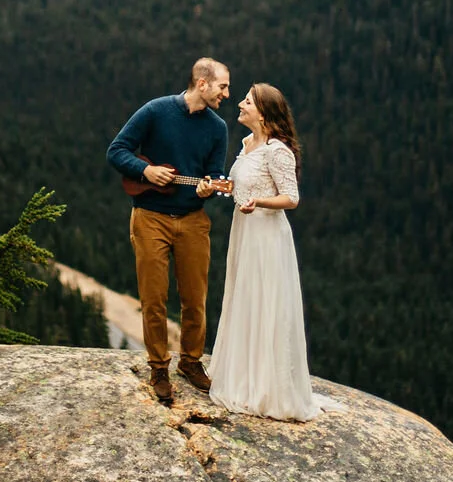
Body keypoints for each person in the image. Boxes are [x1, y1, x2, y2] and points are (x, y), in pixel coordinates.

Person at [107, 58, 232, 405]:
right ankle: (159, 367)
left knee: (195, 298)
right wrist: (146, 173)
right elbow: (116, 151)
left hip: (193, 220)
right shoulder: (155, 111)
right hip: (150, 217)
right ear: (202, 84)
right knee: (154, 298)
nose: (227, 93)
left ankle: (190, 362)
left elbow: (213, 173)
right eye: (223, 86)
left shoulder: (217, 127)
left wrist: (209, 189)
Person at [209, 83, 319, 421]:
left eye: (248, 101)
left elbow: (291, 197)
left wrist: (260, 202)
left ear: (264, 113)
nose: (240, 104)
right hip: (246, 231)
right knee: (245, 298)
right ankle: (245, 376)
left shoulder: (276, 150)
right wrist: (225, 187)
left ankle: (266, 386)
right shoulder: (247, 145)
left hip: (267, 236)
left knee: (265, 302)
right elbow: (242, 185)